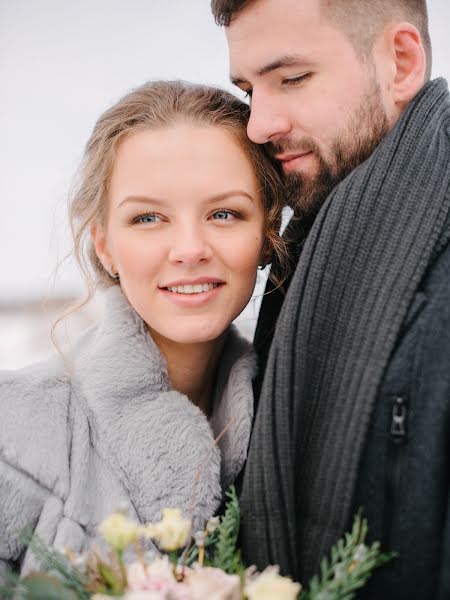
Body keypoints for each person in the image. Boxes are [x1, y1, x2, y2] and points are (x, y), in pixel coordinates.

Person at [211, 1, 450, 598]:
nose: (257, 125)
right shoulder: (305, 252)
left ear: (401, 62)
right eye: (247, 90)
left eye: (291, 79)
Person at [0, 80, 286, 577]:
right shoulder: (17, 431)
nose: (189, 248)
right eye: (149, 218)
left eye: (224, 213)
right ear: (104, 244)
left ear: (266, 235)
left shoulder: (288, 420)